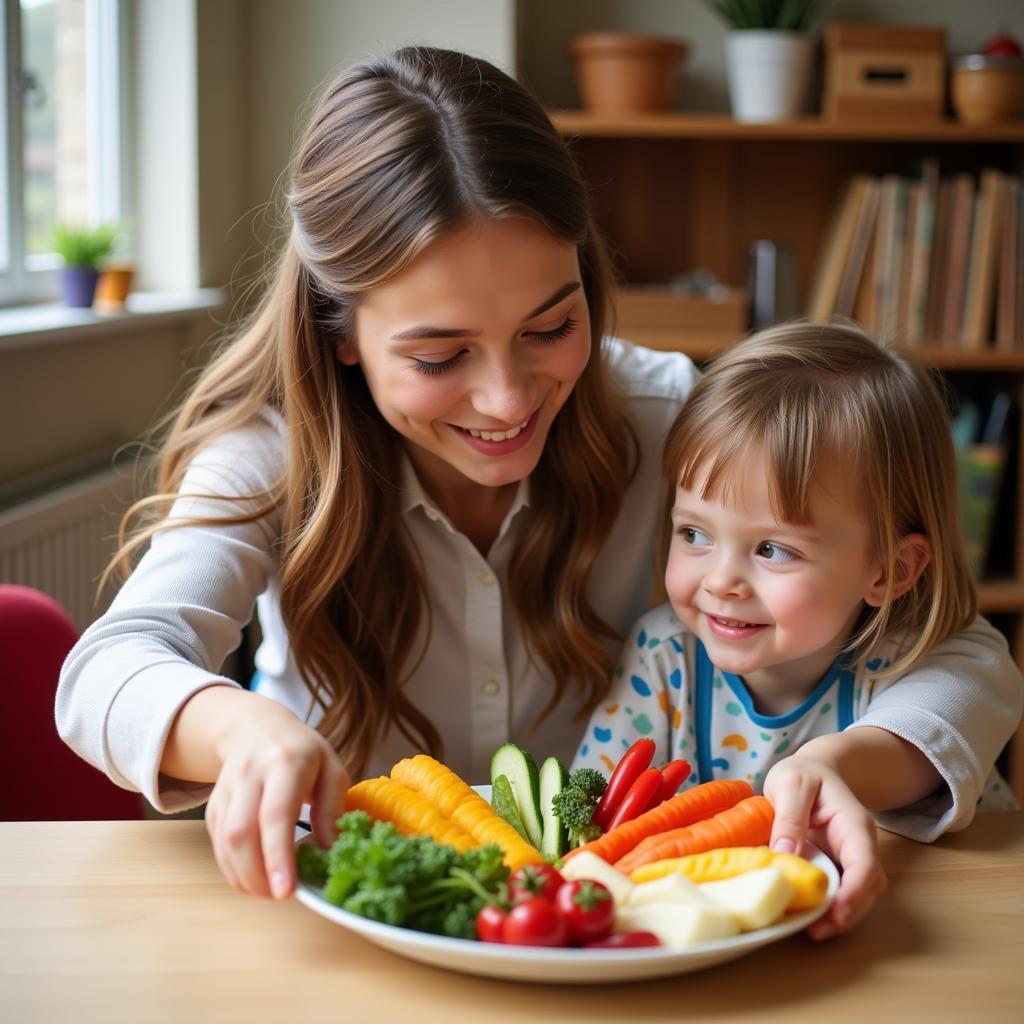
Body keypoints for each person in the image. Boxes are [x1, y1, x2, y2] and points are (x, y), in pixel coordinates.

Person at [56, 48, 1019, 925]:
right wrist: (241, 732)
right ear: (340, 332)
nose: (508, 398)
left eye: (550, 328)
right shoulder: (274, 459)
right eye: (440, 354)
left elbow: (960, 649)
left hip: (606, 925)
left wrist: (845, 760)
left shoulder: (669, 421)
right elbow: (107, 669)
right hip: (367, 931)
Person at [572, 320, 1023, 940]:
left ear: (889, 569)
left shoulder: (928, 658)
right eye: (694, 534)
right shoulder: (662, 654)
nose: (721, 580)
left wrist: (828, 766)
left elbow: (939, 721)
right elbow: (589, 821)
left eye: (773, 549)